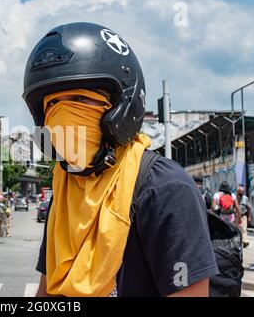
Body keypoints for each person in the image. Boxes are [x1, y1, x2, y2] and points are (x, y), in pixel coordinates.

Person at [23, 22, 219, 297]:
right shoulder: (65, 190)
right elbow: (47, 291)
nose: (64, 116)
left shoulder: (164, 189)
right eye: (53, 105)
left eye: (79, 98)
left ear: (121, 107)